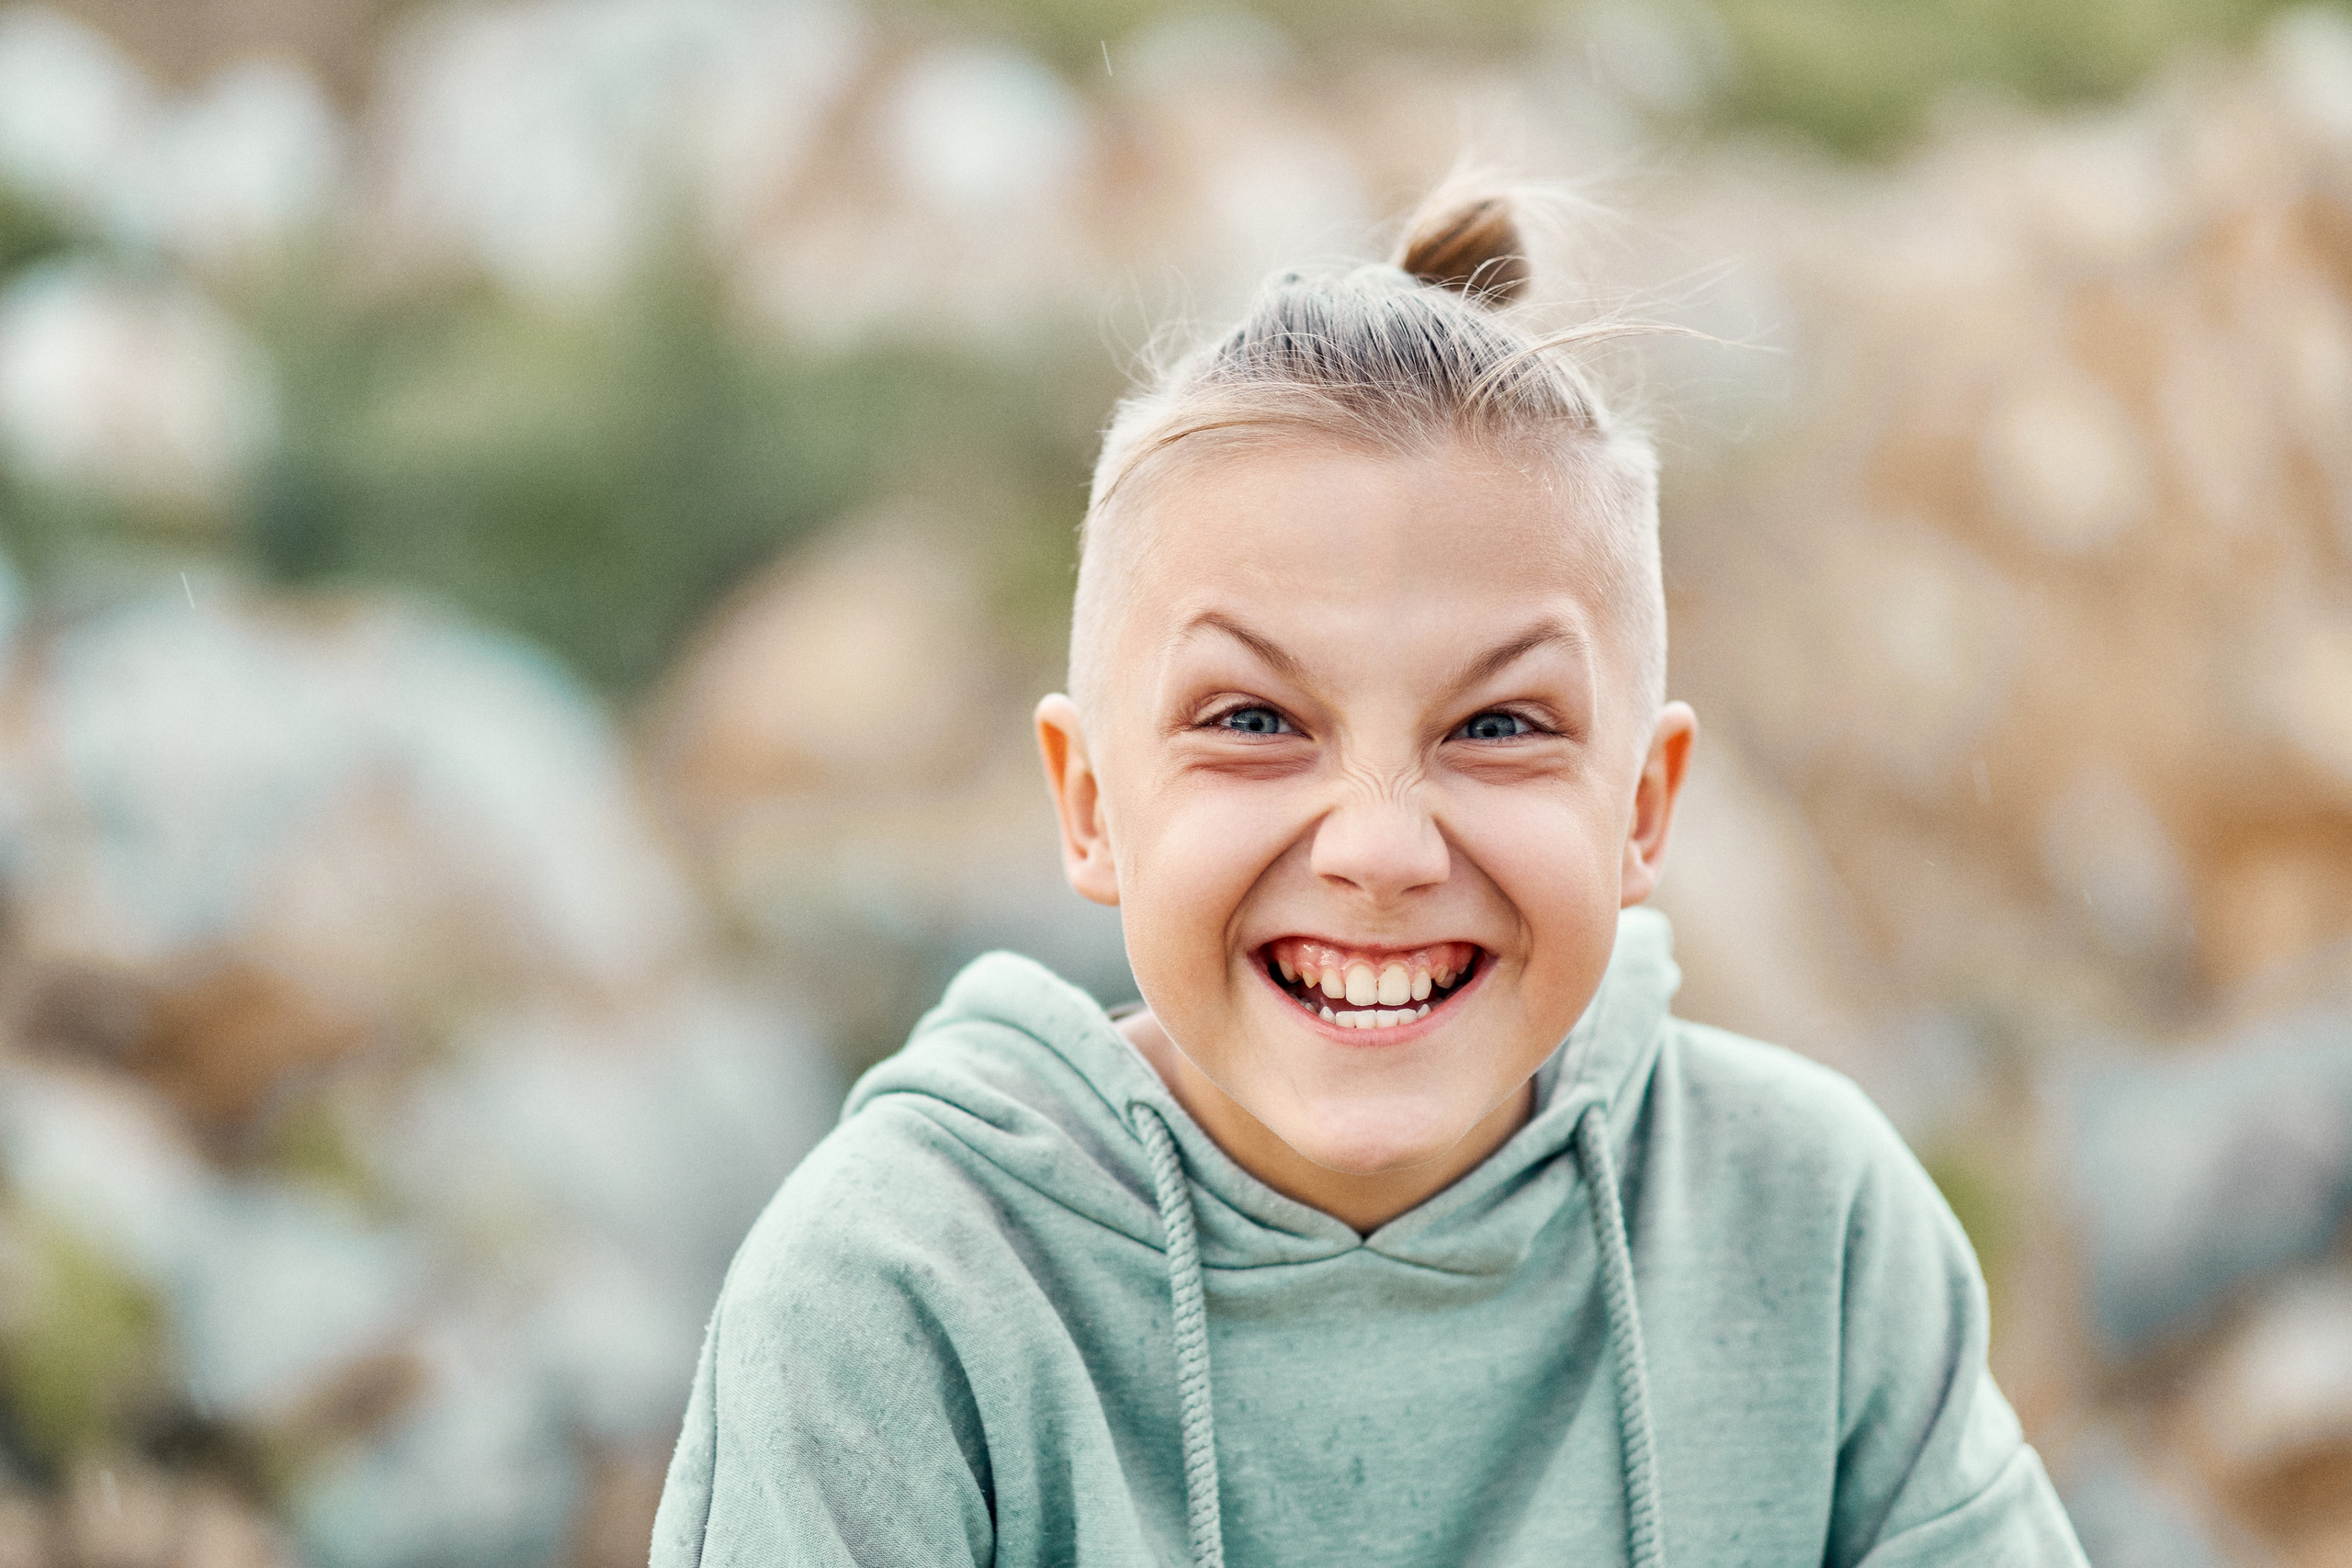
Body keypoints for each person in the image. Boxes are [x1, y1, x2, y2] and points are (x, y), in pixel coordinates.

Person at [650, 181, 2089, 1567]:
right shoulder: (895, 1295)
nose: (1383, 850)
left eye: (1500, 727)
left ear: (1645, 810)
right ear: (1089, 805)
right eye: (1253, 722)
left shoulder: (1807, 1229)